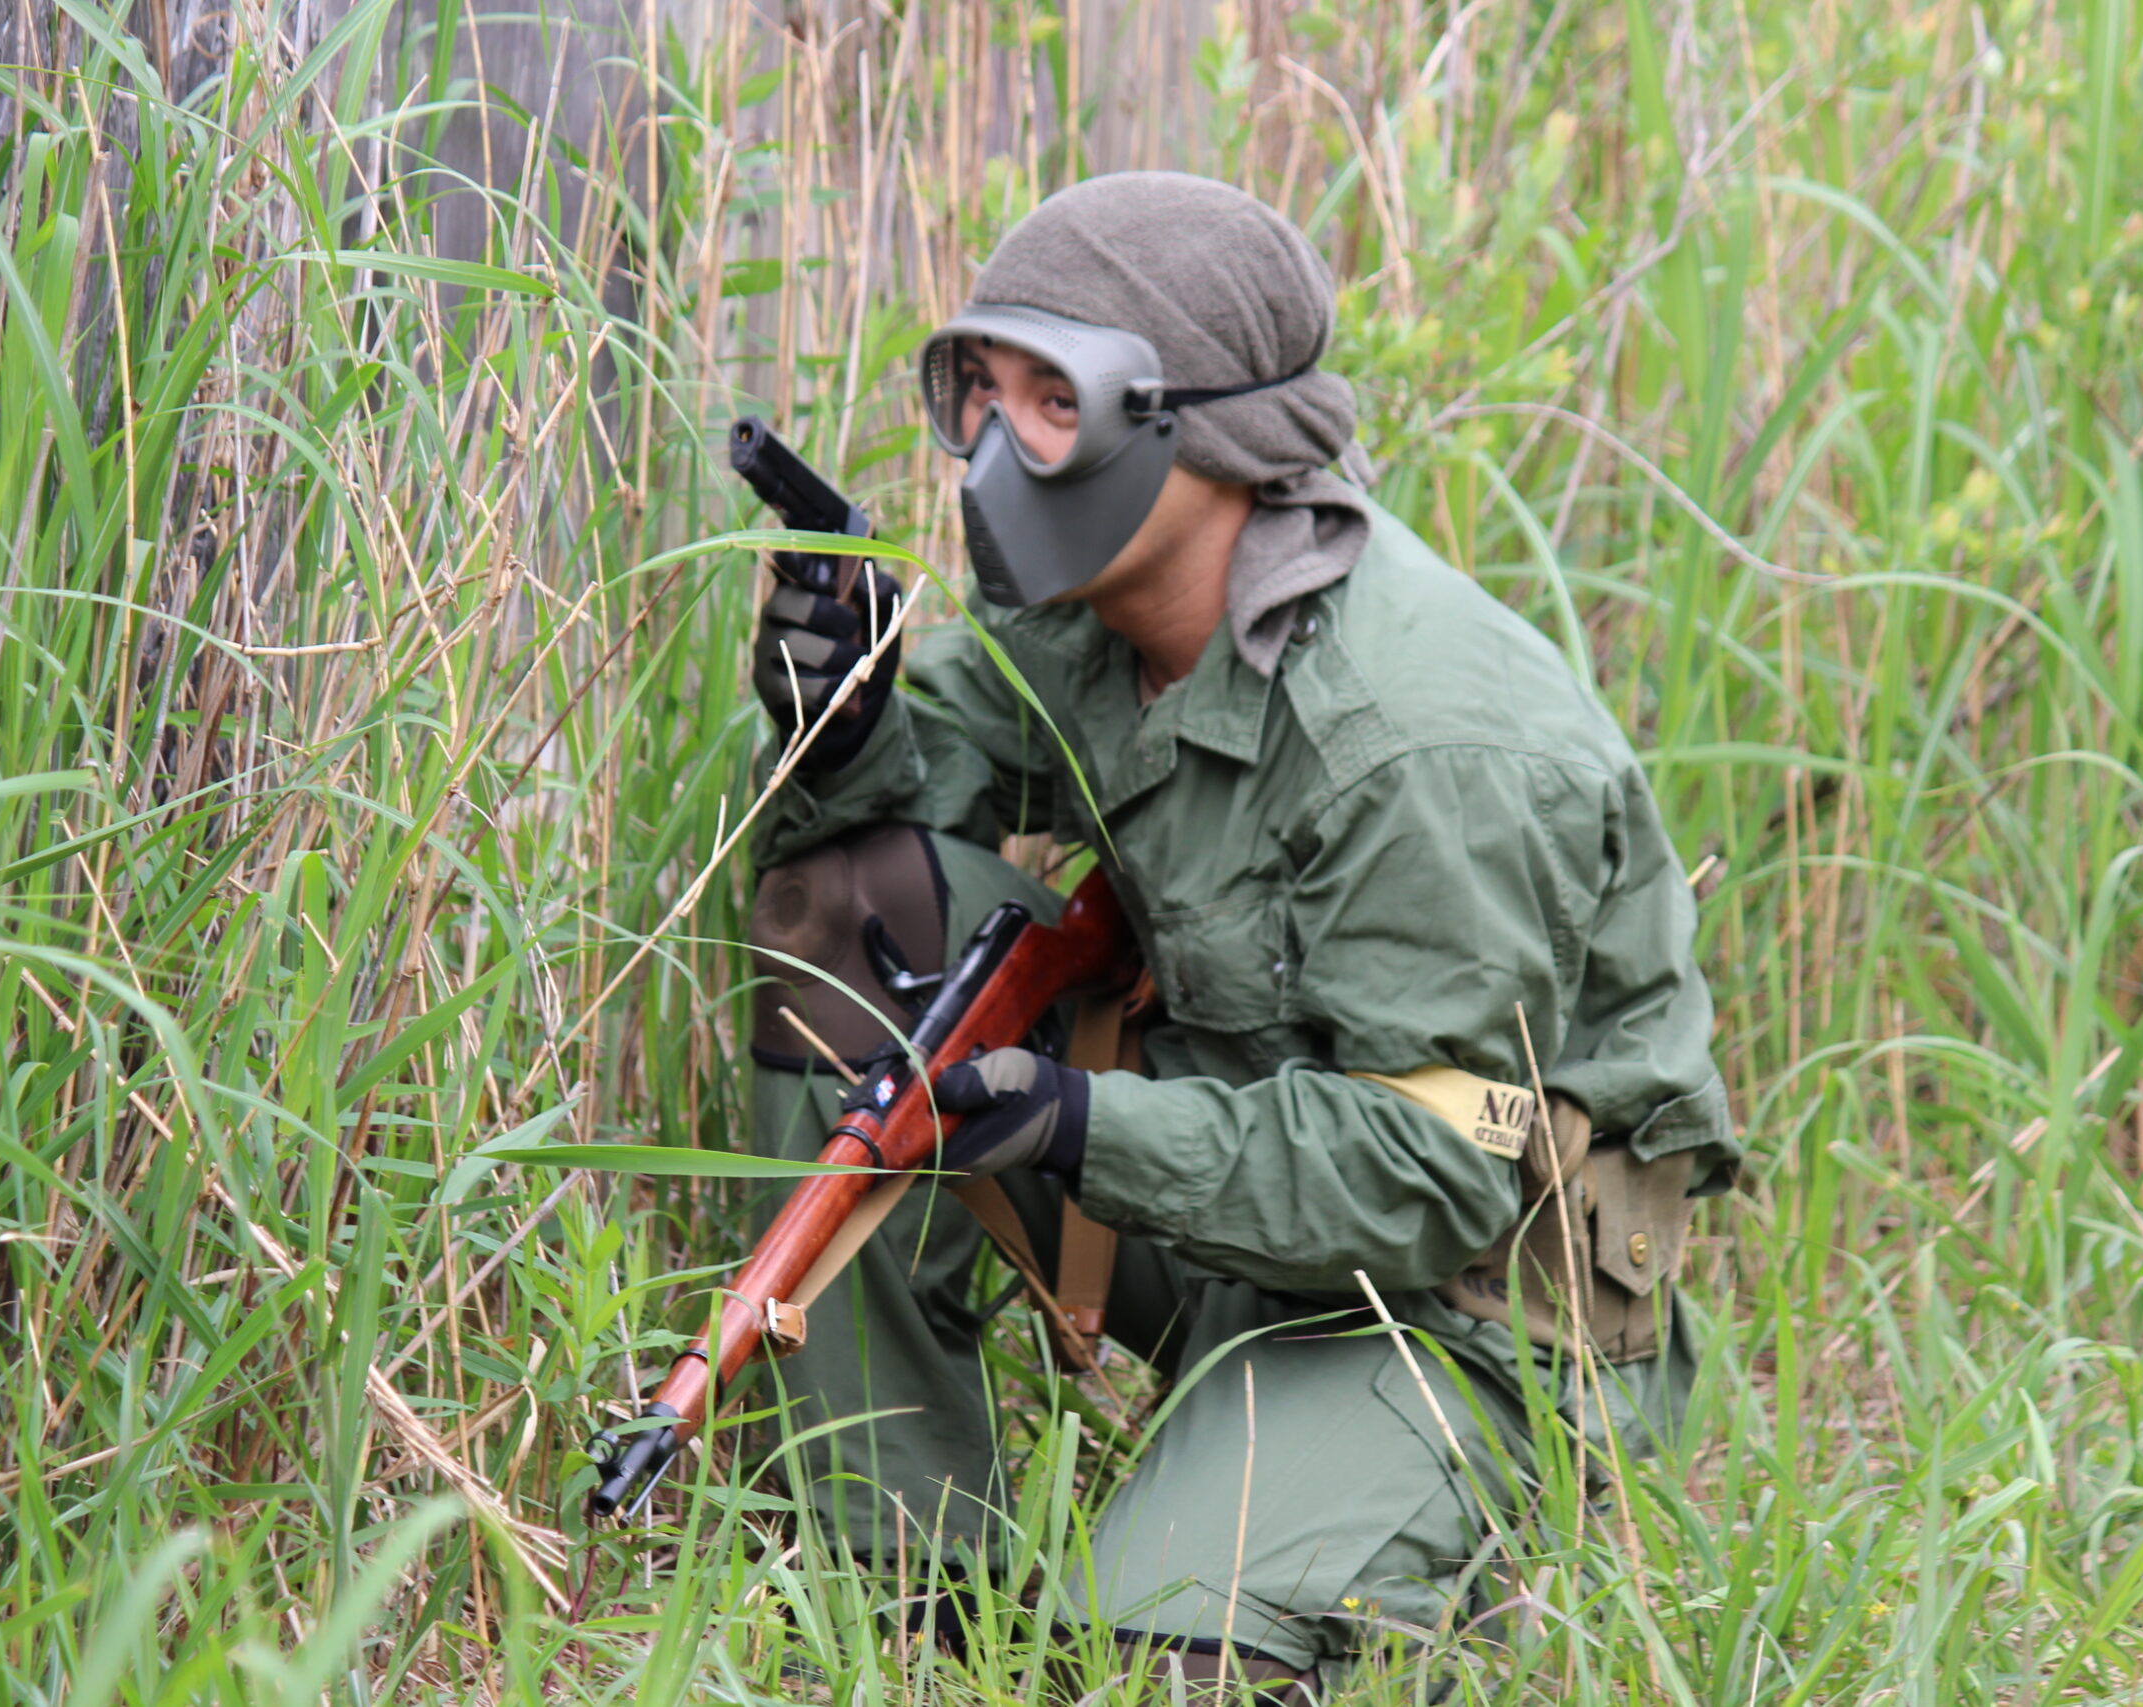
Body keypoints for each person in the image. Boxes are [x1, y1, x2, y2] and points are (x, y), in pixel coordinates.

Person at [740, 171, 1739, 1699]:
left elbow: (1430, 1175)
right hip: (1240, 1208)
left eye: (1051, 403)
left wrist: (1078, 1123)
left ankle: (1438, 1548)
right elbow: (889, 829)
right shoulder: (1095, 626)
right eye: (979, 394)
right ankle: (898, 1588)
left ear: (1198, 431)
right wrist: (836, 722)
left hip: (1471, 1299)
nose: (998, 449)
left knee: (1154, 1668)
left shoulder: (1421, 740)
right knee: (853, 910)